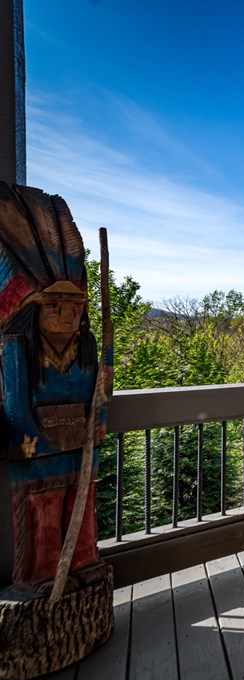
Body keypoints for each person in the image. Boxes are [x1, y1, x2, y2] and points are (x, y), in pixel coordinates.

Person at [0, 183, 106, 594]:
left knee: (82, 503)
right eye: (56, 307)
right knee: (41, 507)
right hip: (38, 445)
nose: (67, 317)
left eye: (76, 308)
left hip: (78, 441)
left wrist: (98, 421)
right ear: (35, 311)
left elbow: (98, 394)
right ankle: (39, 574)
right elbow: (16, 402)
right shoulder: (17, 348)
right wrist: (27, 436)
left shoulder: (87, 351)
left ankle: (84, 559)